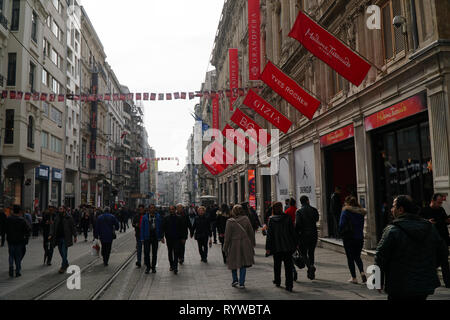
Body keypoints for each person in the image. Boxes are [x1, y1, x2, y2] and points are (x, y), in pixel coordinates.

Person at [375, 195, 448, 300]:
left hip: (399, 284)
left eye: (393, 206)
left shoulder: (392, 230)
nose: (391, 209)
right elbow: (443, 251)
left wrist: (378, 280)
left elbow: (380, 256)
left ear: (400, 210)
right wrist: (430, 266)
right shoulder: (429, 227)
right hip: (423, 284)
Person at [266, 202, 298, 292]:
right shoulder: (287, 218)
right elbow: (292, 232)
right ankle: (289, 285)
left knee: (277, 265)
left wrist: (268, 248)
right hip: (287, 247)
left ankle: (277, 281)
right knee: (288, 266)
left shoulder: (271, 219)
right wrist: (295, 244)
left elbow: (269, 235)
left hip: (276, 247)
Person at [420, 193, 450, 288]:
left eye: (441, 203)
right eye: (438, 202)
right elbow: (417, 222)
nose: (440, 205)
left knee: (445, 261)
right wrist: (427, 222)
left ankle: (448, 283)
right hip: (430, 241)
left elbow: (445, 220)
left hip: (442, 239)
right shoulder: (424, 211)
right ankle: (427, 278)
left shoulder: (441, 210)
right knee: (434, 262)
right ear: (432, 201)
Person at [223, 205, 256, 289]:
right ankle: (242, 282)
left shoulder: (230, 221)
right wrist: (252, 243)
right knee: (243, 263)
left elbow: (227, 237)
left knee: (233, 262)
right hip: (245, 243)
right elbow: (251, 232)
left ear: (233, 211)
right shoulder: (246, 219)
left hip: (234, 244)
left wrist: (225, 248)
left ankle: (235, 280)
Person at [338, 196, 368, 284]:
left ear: (347, 203)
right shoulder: (361, 212)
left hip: (349, 238)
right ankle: (362, 272)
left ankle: (354, 278)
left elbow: (341, 224)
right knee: (357, 256)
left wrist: (341, 232)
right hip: (359, 237)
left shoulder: (346, 211)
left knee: (350, 258)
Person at [295, 196, 319, 280]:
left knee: (303, 253)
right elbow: (317, 219)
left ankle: (310, 267)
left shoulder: (299, 212)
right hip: (313, 234)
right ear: (308, 201)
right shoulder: (314, 210)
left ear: (301, 202)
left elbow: (297, 224)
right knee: (311, 252)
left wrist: (296, 235)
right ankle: (311, 267)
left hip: (303, 235)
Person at [49, 206, 77, 274]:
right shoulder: (57, 217)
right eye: (59, 209)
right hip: (58, 237)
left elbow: (73, 227)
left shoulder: (69, 217)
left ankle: (63, 267)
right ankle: (66, 263)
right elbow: (53, 226)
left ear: (64, 209)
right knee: (61, 252)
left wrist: (75, 235)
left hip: (65, 237)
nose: (59, 210)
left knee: (64, 252)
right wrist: (50, 234)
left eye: (61, 209)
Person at [5, 205, 31, 277]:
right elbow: (28, 229)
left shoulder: (9, 219)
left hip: (10, 240)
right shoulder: (22, 220)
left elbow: (5, 228)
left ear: (13, 211)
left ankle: (11, 266)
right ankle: (17, 271)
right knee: (18, 256)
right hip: (19, 240)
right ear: (19, 211)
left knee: (11, 255)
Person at [162, 205, 188, 275]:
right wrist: (162, 237)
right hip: (169, 238)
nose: (171, 211)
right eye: (170, 209)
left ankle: (175, 267)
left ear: (175, 210)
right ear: (169, 210)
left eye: (173, 209)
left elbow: (183, 229)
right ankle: (171, 265)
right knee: (170, 252)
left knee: (176, 252)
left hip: (177, 238)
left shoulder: (179, 218)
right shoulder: (166, 218)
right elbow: (163, 228)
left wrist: (183, 237)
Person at [140, 204, 163, 274]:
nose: (152, 209)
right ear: (149, 209)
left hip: (155, 237)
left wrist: (161, 236)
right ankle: (148, 267)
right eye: (151, 208)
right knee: (146, 252)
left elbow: (160, 226)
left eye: (153, 208)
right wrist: (142, 238)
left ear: (155, 209)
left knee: (154, 253)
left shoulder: (158, 216)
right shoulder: (145, 217)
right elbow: (142, 228)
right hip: (147, 236)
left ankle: (153, 267)